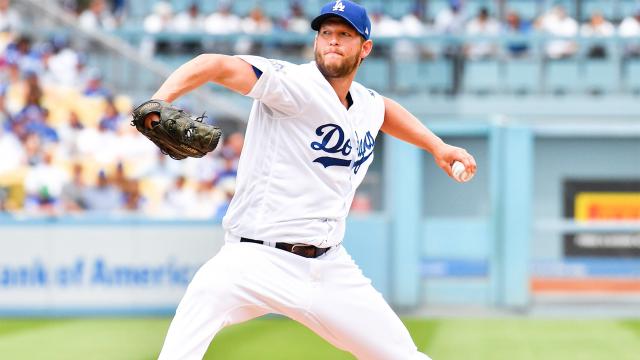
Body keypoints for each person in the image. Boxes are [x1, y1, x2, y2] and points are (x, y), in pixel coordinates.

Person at [144, 1, 476, 359]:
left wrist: (437, 146)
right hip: (253, 258)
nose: (332, 41)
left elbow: (384, 111)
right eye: (326, 33)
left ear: (365, 48)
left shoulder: (364, 103)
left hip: (328, 266)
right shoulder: (290, 84)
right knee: (181, 345)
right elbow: (213, 64)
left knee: (404, 356)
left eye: (344, 35)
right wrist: (158, 102)